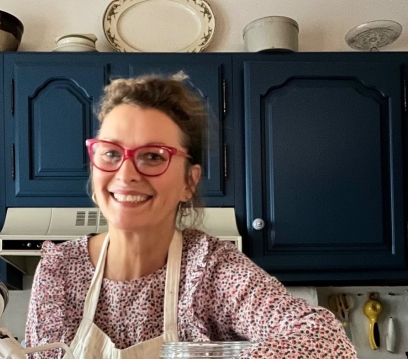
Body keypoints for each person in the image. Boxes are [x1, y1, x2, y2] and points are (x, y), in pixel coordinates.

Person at [25, 72, 357, 359]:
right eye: (111, 153)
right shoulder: (59, 271)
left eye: (153, 156)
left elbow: (326, 340)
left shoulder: (210, 270)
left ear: (189, 181)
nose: (126, 174)